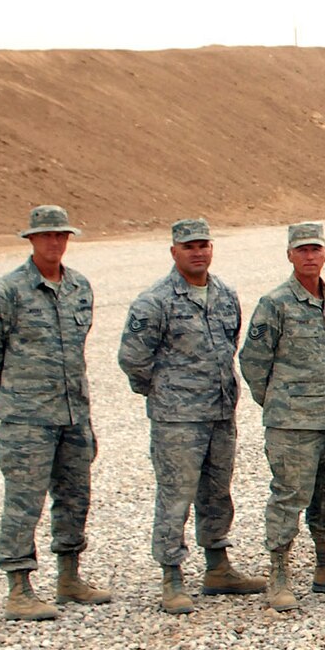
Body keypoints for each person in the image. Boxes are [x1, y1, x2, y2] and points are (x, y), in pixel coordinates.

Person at [0, 205, 101, 621]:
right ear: (31, 240)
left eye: (61, 236)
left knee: (75, 497)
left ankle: (69, 577)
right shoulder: (5, 292)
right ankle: (19, 585)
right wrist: (18, 392)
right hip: (27, 418)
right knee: (24, 502)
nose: (55, 243)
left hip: (73, 413)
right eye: (46, 236)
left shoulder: (79, 286)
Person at [118, 217, 255, 615]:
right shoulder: (155, 300)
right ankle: (172, 575)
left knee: (217, 492)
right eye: (189, 246)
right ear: (174, 251)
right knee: (176, 495)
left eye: (203, 245)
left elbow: (230, 344)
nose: (198, 252)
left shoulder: (225, 295)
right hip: (177, 418)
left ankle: (217, 566)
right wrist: (164, 393)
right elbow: (132, 358)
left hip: (219, 411)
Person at [239, 222, 325, 611]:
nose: (309, 256)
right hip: (292, 422)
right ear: (290, 256)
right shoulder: (275, 303)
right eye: (302, 250)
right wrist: (279, 404)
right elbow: (253, 361)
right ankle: (278, 574)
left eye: (315, 249)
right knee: (289, 496)